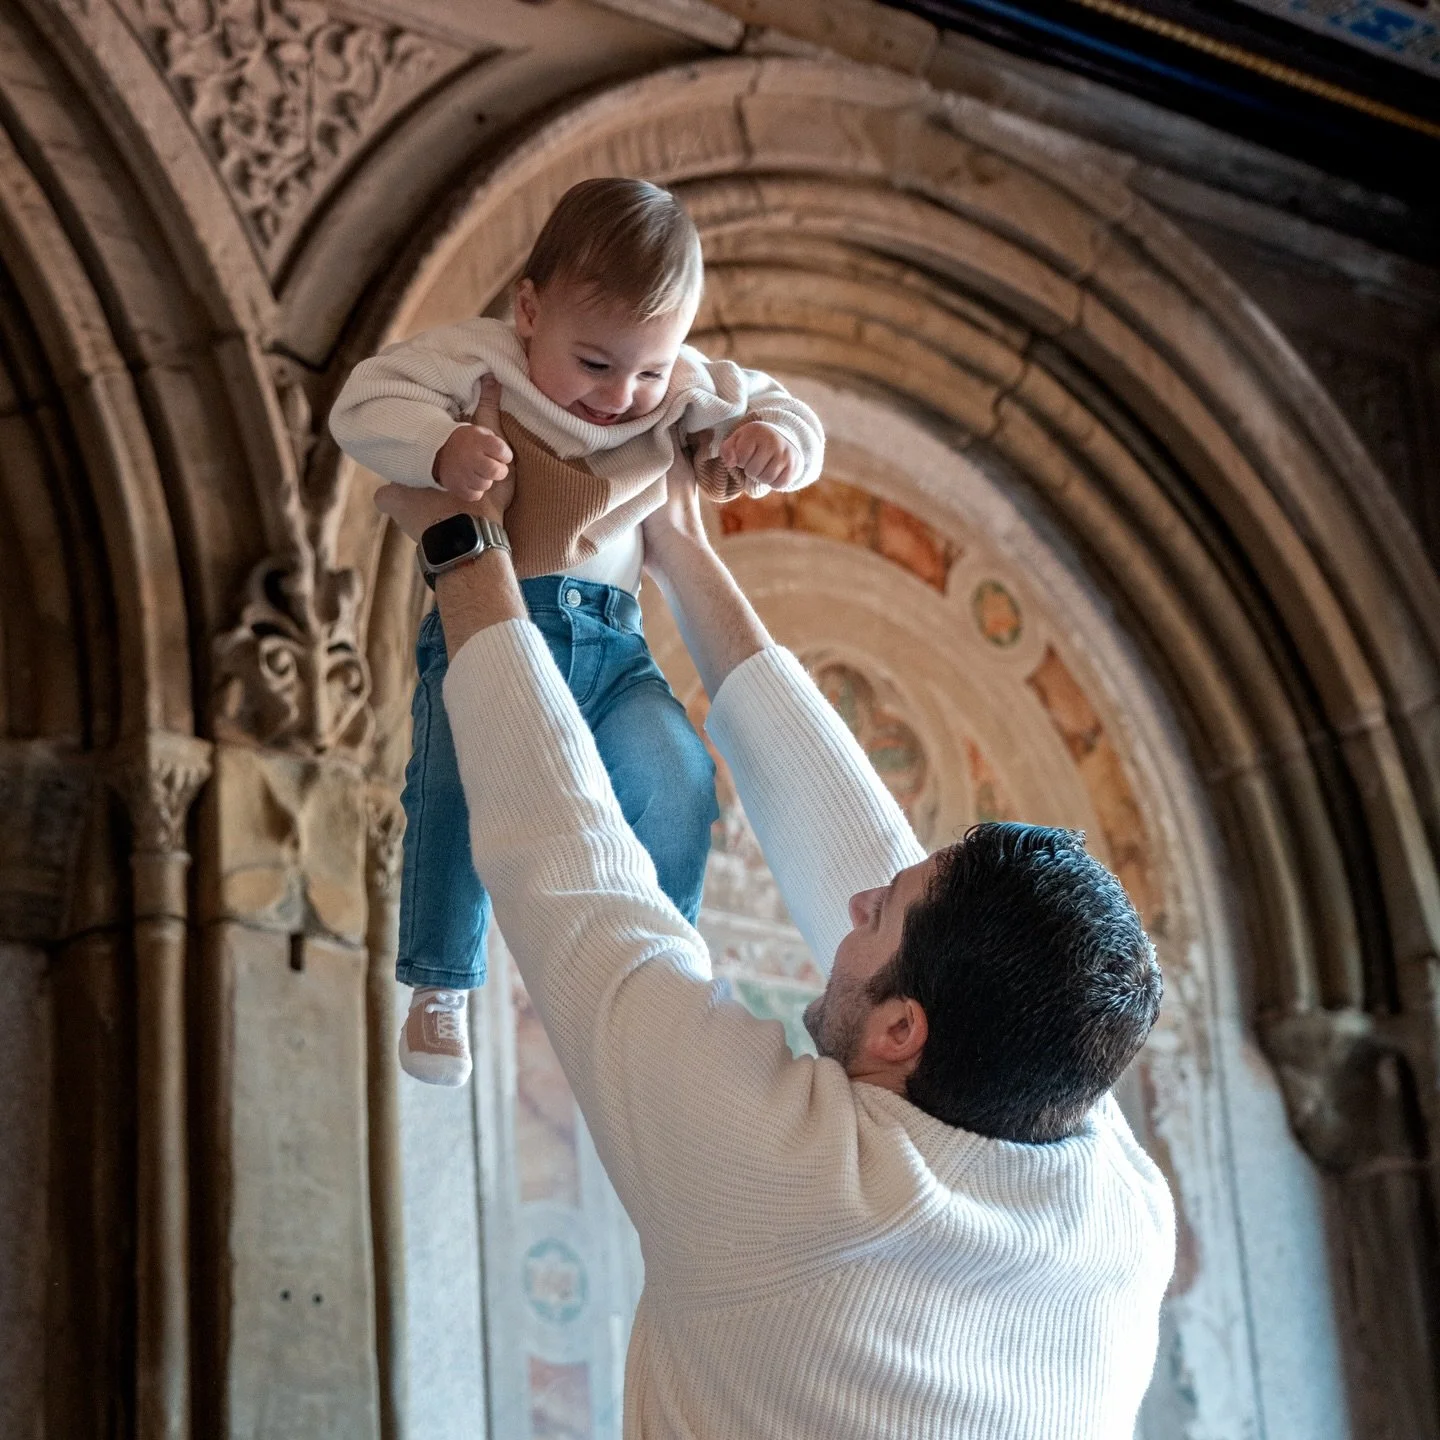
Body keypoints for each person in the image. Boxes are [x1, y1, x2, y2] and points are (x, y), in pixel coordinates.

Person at [372, 430, 1176, 1438]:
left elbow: (572, 867)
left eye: (878, 915)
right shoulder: (1115, 1202)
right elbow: (859, 846)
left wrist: (464, 548)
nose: (855, 901)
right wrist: (682, 547)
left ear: (902, 1033)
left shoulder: (793, 1190)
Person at [330, 178, 824, 1084]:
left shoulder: (680, 384)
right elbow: (362, 405)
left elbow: (783, 408)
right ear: (529, 311)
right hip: (491, 624)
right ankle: (440, 986)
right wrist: (440, 448)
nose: (622, 395)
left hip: (613, 643)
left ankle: (666, 970)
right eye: (595, 363)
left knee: (676, 776)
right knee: (450, 790)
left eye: (648, 371)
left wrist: (776, 444)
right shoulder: (481, 359)